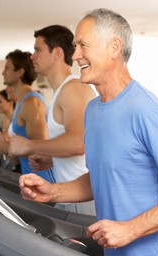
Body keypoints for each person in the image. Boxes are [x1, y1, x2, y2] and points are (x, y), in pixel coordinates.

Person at [19, 8, 158, 256]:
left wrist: (130, 229)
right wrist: (53, 191)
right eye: (74, 46)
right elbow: (102, 177)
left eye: (82, 45)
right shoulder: (93, 110)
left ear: (114, 48)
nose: (76, 54)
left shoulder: (147, 111)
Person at [9, 25, 96, 216]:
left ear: (57, 53)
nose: (32, 56)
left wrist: (29, 146)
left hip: (81, 198)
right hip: (69, 195)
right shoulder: (62, 91)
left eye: (38, 50)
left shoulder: (73, 89)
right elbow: (80, 145)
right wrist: (53, 158)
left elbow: (78, 142)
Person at [0, 49, 55, 182]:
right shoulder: (22, 101)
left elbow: (42, 149)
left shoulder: (31, 103)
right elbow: (27, 144)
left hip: (43, 179)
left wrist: (7, 148)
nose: (3, 72)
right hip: (31, 176)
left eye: (7, 68)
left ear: (20, 72)